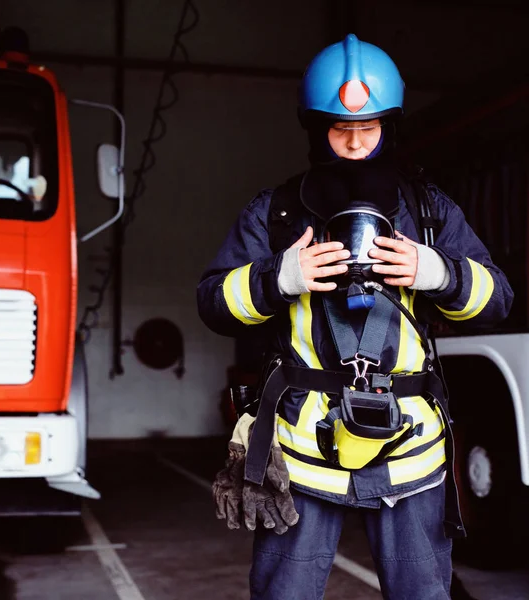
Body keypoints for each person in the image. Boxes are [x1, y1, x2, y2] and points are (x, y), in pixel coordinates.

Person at [197, 34, 513, 600]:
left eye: (368, 129)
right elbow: (213, 301)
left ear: (389, 127)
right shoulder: (276, 213)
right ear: (315, 128)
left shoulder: (428, 211)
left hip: (408, 450)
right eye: (340, 130)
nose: (354, 142)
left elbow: (499, 300)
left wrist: (437, 271)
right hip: (301, 452)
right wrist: (278, 278)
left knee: (421, 593)